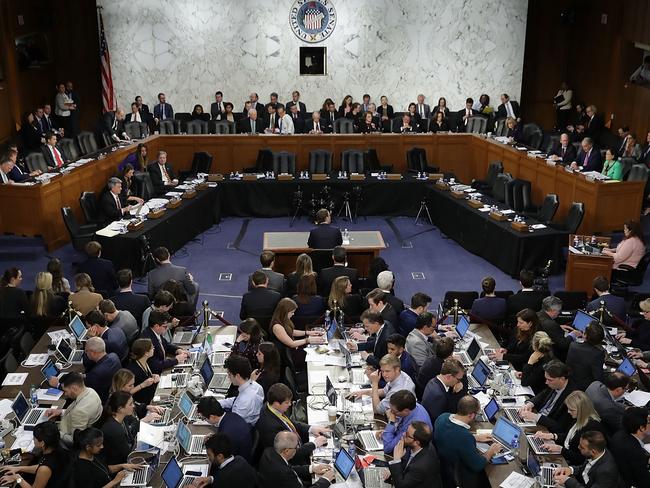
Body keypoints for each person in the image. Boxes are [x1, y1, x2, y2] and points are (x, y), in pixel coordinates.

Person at [434, 395, 503, 488]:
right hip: (462, 477)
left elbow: (452, 436)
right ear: (471, 415)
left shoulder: (442, 417)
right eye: (477, 414)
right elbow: (478, 465)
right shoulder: (464, 437)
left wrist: (475, 437)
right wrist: (491, 451)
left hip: (444, 468)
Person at [256, 383, 330, 465]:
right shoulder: (271, 427)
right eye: (287, 403)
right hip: (295, 460)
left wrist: (311, 428)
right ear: (277, 403)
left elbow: (288, 422)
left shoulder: (270, 406)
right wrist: (314, 444)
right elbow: (292, 454)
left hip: (298, 444)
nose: (290, 404)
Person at [533, 391, 605, 465]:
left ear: (581, 410)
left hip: (570, 463)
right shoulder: (578, 417)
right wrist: (552, 436)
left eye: (571, 410)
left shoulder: (593, 427)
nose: (568, 412)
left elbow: (583, 459)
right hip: (563, 454)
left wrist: (561, 450)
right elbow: (569, 437)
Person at [0, 421, 70, 488]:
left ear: (42, 443)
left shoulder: (45, 468)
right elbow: (40, 467)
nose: (33, 439)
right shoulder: (58, 449)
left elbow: (43, 470)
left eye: (34, 438)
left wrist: (17, 478)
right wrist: (18, 468)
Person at [70, 427, 142, 488]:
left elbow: (104, 469)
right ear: (88, 447)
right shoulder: (81, 469)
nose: (102, 447)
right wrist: (115, 481)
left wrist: (123, 465)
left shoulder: (94, 454)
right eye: (98, 445)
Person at [257, 431, 334, 488]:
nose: (297, 449)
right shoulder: (283, 474)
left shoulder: (269, 451)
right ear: (286, 451)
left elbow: (290, 469)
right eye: (296, 447)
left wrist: (312, 468)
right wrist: (325, 479)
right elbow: (287, 473)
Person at [45, 372, 103, 446]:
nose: (65, 394)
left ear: (74, 388)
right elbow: (77, 410)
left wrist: (55, 433)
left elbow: (74, 440)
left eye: (66, 391)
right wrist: (60, 412)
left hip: (64, 436)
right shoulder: (91, 391)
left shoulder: (79, 411)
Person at [519, 360, 577, 433]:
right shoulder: (555, 384)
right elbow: (542, 394)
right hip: (536, 418)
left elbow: (560, 427)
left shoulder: (572, 397)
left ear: (562, 379)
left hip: (546, 429)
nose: (546, 382)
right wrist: (530, 403)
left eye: (550, 380)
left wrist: (536, 417)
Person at [349, 354, 416, 415]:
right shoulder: (400, 375)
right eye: (382, 371)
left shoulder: (398, 390)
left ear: (397, 369)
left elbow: (377, 410)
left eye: (387, 371)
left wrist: (375, 383)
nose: (384, 374)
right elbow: (384, 391)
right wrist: (362, 392)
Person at [552, 431, 621, 488]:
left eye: (582, 447)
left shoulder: (606, 471)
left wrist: (568, 481)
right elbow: (583, 469)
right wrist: (570, 470)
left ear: (593, 451)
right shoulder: (596, 452)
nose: (578, 447)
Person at [196, 397, 253, 462]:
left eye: (204, 418)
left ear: (212, 417)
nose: (204, 420)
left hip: (237, 462)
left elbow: (221, 458)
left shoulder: (226, 434)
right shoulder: (231, 415)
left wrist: (210, 444)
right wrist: (215, 437)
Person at [271, 298, 324, 366]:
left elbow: (291, 332)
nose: (293, 314)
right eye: (292, 312)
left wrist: (307, 332)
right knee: (316, 353)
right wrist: (307, 340)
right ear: (284, 312)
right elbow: (292, 344)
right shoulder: (277, 327)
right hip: (291, 354)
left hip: (294, 349)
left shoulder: (284, 320)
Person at [389, 421, 442, 488]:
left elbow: (401, 486)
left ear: (416, 442)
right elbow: (406, 463)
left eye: (407, 435)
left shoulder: (420, 467)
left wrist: (396, 460)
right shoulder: (418, 445)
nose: (403, 434)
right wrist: (393, 472)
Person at [191, 433, 256, 488]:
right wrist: (211, 479)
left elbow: (223, 478)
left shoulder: (222, 481)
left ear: (220, 456)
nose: (208, 458)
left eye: (209, 455)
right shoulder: (239, 459)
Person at [218, 355, 264, 426]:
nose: (228, 377)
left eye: (229, 374)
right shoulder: (256, 386)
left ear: (237, 376)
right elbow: (235, 400)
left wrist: (214, 420)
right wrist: (218, 403)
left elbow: (231, 424)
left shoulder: (243, 403)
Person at [610, 407, 650, 488]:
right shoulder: (636, 453)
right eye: (649, 421)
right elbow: (645, 482)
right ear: (641, 428)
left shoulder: (618, 434)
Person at [421, 358, 466, 428]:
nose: (459, 382)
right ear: (449, 377)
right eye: (458, 379)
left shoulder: (432, 381)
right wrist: (457, 394)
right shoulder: (439, 396)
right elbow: (447, 418)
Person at [98, 391, 137, 466]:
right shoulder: (114, 430)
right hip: (119, 465)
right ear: (120, 409)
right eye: (130, 404)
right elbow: (127, 455)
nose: (133, 406)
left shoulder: (122, 417)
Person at [566, 322, 605, 390]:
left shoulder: (573, 345)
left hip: (571, 383)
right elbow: (598, 377)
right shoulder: (598, 354)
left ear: (585, 335)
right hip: (586, 388)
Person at [538, 295, 578, 361]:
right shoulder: (551, 324)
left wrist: (558, 326)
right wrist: (573, 335)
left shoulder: (538, 314)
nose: (559, 313)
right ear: (553, 311)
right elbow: (563, 345)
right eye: (558, 311)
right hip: (553, 356)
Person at [83, 337, 121, 403]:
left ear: (93, 353)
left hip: (99, 400)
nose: (86, 353)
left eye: (86, 351)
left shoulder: (95, 374)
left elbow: (83, 388)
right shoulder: (114, 356)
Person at [126, 338, 160, 404]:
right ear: (146, 353)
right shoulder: (132, 370)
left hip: (151, 394)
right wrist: (142, 385)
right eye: (152, 348)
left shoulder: (144, 361)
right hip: (143, 402)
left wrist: (154, 375)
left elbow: (145, 376)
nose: (153, 349)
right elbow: (127, 393)